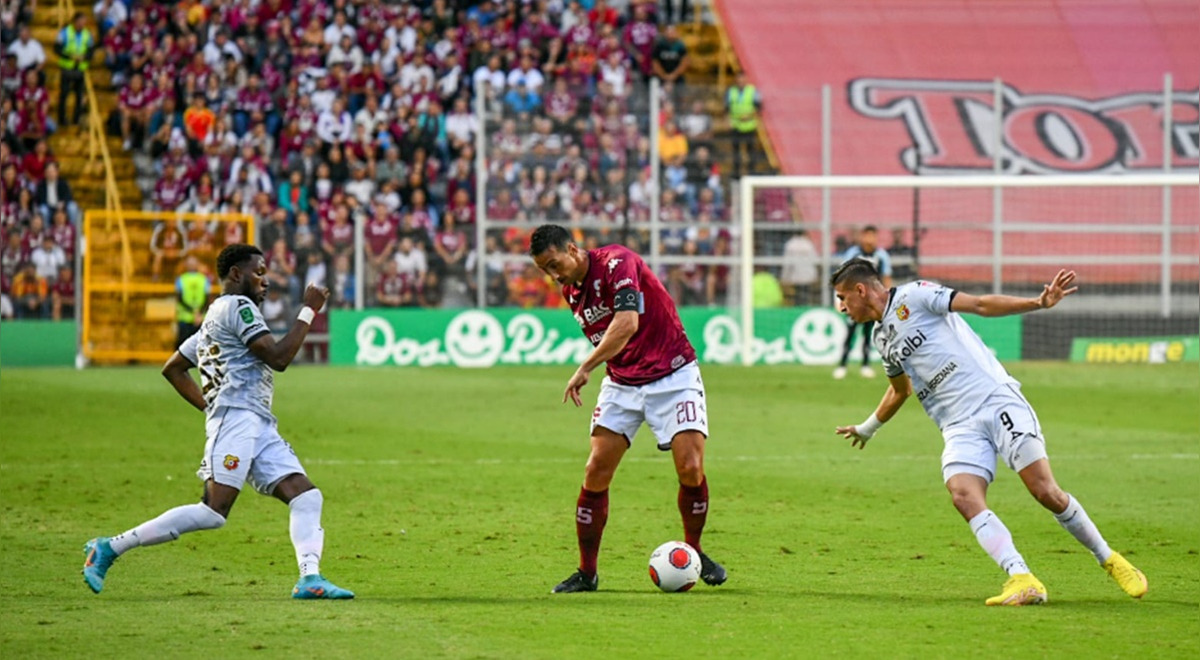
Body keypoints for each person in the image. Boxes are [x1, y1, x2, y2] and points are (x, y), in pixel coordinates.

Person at [830, 261, 1147, 606]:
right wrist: (867, 429)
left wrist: (1037, 303)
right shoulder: (881, 338)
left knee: (1045, 491)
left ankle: (1109, 559)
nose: (842, 307)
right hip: (958, 426)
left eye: (842, 297)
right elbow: (899, 390)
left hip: (995, 401)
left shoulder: (916, 295)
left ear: (860, 290)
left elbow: (980, 305)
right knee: (963, 495)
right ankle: (1022, 577)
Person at [81, 244, 354, 599]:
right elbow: (279, 357)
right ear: (236, 274)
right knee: (213, 511)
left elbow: (174, 368)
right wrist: (308, 310)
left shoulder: (214, 317)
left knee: (306, 496)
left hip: (257, 423)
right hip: (238, 421)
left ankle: (310, 579)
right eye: (258, 272)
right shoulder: (238, 307)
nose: (265, 280)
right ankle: (108, 547)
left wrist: (210, 407)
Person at [529, 224, 727, 593]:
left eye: (555, 264)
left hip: (673, 373)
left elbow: (626, 323)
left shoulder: (618, 262)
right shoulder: (571, 290)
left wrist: (585, 367)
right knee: (595, 470)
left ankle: (695, 553)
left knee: (690, 467)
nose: (554, 275)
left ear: (572, 248)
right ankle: (587, 573)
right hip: (622, 383)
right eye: (545, 270)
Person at [834, 225, 892, 379]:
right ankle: (842, 364)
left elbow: (886, 278)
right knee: (850, 332)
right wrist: (839, 298)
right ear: (862, 237)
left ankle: (865, 365)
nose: (869, 239)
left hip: (872, 303)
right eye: (867, 235)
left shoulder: (881, 255)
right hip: (854, 301)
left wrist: (888, 300)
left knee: (869, 334)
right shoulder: (853, 253)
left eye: (872, 236)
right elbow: (842, 276)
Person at [54, 12, 95, 128]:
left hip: (80, 69)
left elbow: (91, 52)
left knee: (79, 96)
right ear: (75, 21)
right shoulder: (65, 32)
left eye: (84, 22)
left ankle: (76, 120)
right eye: (80, 21)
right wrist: (70, 56)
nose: (82, 24)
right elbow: (57, 49)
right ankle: (62, 119)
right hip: (67, 68)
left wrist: (84, 57)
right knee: (64, 95)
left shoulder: (87, 34)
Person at [725, 71, 761, 178]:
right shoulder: (731, 91)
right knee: (736, 152)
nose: (740, 82)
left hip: (749, 125)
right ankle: (736, 174)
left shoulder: (753, 91)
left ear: (746, 80)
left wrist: (748, 116)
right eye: (738, 79)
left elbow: (758, 107)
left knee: (751, 151)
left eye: (742, 79)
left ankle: (751, 173)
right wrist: (728, 121)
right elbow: (726, 108)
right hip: (736, 125)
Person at [175, 255, 211, 348]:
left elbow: (207, 299)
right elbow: (180, 299)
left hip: (194, 318)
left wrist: (196, 312)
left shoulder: (203, 279)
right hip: (190, 318)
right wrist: (197, 313)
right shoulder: (182, 279)